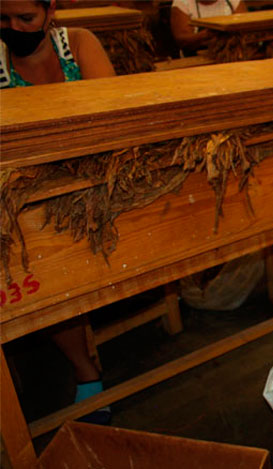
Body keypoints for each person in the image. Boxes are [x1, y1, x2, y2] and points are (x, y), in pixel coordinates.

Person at [0, 0, 115, 422]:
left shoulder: (78, 46)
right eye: (3, 19)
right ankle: (86, 371)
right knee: (41, 255)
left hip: (94, 176)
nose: (14, 28)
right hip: (30, 192)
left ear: (51, 12)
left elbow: (109, 111)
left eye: (25, 18)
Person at [170, 0, 247, 56]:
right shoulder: (182, 2)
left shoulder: (234, 1)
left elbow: (245, 28)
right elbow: (182, 40)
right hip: (195, 61)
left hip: (232, 56)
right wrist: (204, 35)